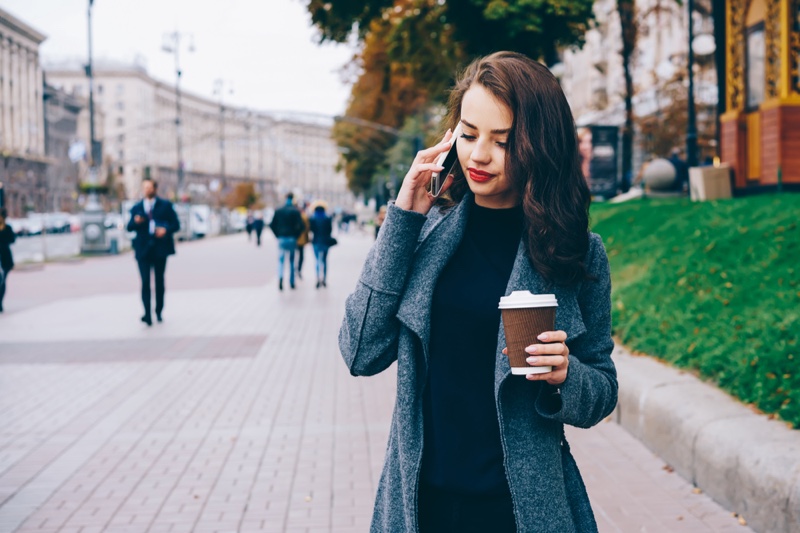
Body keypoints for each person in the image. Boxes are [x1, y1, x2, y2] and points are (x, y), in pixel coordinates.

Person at [339, 51, 617, 532]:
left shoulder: (574, 254)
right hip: (421, 507)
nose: (478, 155)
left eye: (502, 141)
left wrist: (565, 374)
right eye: (468, 135)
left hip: (523, 511)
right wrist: (402, 220)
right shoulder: (424, 239)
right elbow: (360, 351)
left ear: (538, 146)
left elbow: (602, 390)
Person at [126, 178, 180, 326]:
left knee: (159, 281)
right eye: (145, 187)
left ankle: (159, 311)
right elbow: (129, 227)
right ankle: (147, 314)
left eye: (150, 187)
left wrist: (166, 230)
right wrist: (136, 222)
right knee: (144, 282)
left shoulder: (166, 206)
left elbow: (176, 225)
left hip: (160, 249)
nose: (147, 190)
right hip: (143, 249)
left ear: (155, 189)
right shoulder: (137, 207)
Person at [269, 193, 304, 290]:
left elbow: (272, 225)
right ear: (292, 199)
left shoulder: (279, 210)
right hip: (292, 238)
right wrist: (296, 236)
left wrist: (277, 235)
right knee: (292, 261)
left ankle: (280, 277)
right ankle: (291, 282)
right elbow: (301, 226)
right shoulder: (295, 211)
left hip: (282, 238)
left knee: (281, 260)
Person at [309, 201, 333, 289]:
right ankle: (324, 279)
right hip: (325, 241)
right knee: (325, 260)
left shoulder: (312, 218)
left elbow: (311, 230)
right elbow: (330, 230)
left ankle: (318, 278)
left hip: (316, 241)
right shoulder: (327, 218)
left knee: (317, 260)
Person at [0, 208, 16, 313]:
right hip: (3, 257)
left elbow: (12, 239)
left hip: (5, 258)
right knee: (1, 281)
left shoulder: (8, 228)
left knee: (2, 281)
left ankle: (0, 302)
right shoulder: (6, 228)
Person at [296, 204, 311, 280]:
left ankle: (295, 270)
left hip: (294, 239)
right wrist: (308, 239)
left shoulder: (295, 216)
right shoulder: (304, 217)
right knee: (301, 256)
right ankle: (299, 270)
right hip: (302, 239)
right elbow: (307, 228)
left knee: (294, 256)